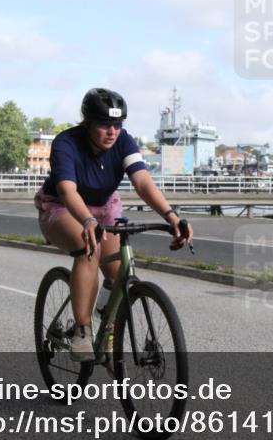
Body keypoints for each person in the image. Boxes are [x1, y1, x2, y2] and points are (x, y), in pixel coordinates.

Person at [34, 88, 192, 362]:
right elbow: (67, 190)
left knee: (119, 272)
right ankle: (82, 331)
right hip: (61, 206)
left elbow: (142, 182)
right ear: (87, 123)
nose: (112, 131)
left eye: (117, 125)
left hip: (104, 207)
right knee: (89, 248)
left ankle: (107, 328)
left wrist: (172, 217)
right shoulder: (66, 143)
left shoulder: (124, 141)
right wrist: (87, 220)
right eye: (104, 124)